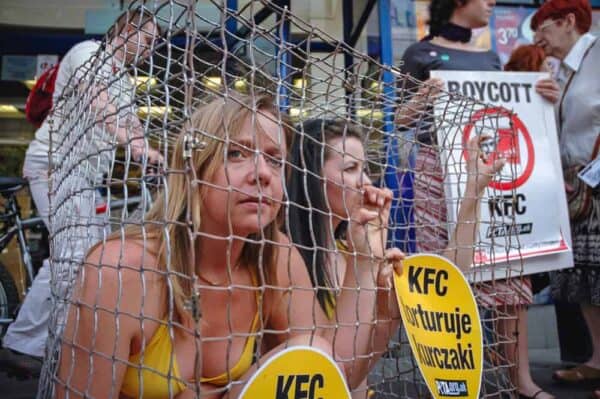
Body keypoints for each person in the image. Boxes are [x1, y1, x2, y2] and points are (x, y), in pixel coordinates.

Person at [399, 1, 559, 398]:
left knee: (510, 270)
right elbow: (400, 117)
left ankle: (519, 379)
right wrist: (423, 98)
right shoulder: (419, 53)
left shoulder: (490, 56)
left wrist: (541, 94)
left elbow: (508, 111)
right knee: (444, 269)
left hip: (490, 171)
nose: (490, 4)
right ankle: (448, 376)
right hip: (437, 171)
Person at [286, 118, 503, 397]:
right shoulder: (287, 258)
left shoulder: (356, 251)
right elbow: (327, 368)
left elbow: (441, 282)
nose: (365, 182)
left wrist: (473, 191)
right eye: (351, 169)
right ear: (311, 177)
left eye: (365, 169)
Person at [0, 6, 162, 378]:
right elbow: (100, 106)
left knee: (85, 257)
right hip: (55, 167)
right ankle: (23, 343)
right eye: (148, 40)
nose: (151, 50)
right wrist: (135, 148)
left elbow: (130, 124)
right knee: (72, 255)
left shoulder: (123, 78)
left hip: (83, 178)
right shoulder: (88, 54)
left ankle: (45, 339)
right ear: (127, 31)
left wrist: (149, 151)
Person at [531, 1, 600, 398]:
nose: (538, 39)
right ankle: (596, 361)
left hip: (595, 181)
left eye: (543, 28)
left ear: (568, 21)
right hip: (577, 188)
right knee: (584, 279)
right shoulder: (562, 70)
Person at [489, 44, 557, 399]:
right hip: (505, 197)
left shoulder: (544, 98)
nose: (550, 70)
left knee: (516, 284)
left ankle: (513, 369)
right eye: (544, 65)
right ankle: (511, 368)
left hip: (528, 198)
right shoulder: (505, 103)